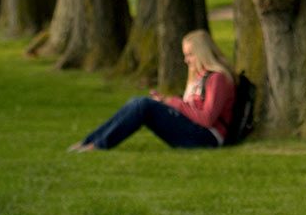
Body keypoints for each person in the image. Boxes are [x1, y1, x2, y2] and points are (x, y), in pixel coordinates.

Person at [70, 30, 236, 151]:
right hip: (195, 131)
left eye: (190, 55)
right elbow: (191, 109)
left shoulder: (217, 78)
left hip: (207, 138)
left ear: (203, 53)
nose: (186, 60)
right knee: (137, 103)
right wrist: (166, 104)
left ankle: (99, 145)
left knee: (143, 105)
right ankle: (90, 141)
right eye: (185, 55)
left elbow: (206, 118)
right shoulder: (201, 77)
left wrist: (172, 102)